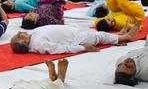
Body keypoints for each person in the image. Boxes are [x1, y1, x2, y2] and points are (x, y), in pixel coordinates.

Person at [10, 23, 140, 54]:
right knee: (98, 36)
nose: (22, 32)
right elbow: (61, 48)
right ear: (25, 43)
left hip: (73, 32)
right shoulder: (39, 44)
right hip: (76, 40)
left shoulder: (33, 36)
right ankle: (125, 37)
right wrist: (83, 48)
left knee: (95, 32)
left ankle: (118, 35)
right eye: (20, 36)